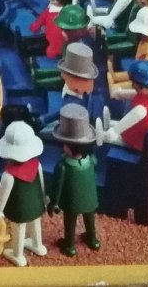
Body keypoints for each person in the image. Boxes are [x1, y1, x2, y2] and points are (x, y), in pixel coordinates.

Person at [0, 121, 47, 267]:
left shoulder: (8, 175)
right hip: (36, 204)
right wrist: (44, 198)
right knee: (35, 222)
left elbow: (2, 196)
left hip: (18, 209)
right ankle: (38, 245)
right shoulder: (37, 165)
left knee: (19, 229)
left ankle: (18, 254)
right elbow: (42, 184)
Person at [48, 103, 101, 257]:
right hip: (90, 199)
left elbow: (57, 186)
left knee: (70, 222)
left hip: (71, 201)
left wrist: (54, 202)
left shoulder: (63, 165)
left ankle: (70, 245)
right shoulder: (91, 160)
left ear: (68, 146)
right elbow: (95, 174)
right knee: (89, 219)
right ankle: (92, 239)